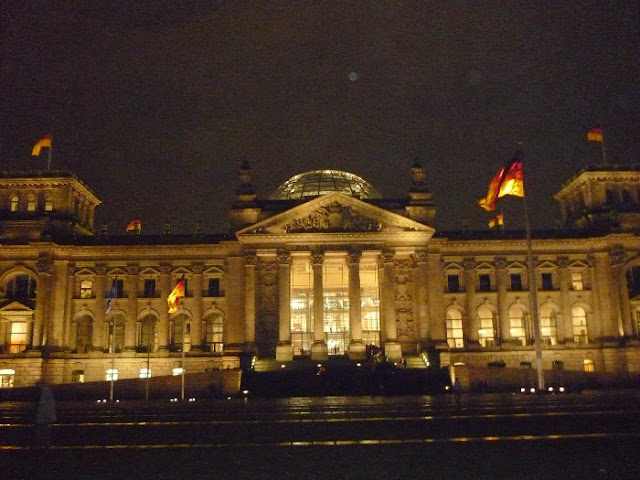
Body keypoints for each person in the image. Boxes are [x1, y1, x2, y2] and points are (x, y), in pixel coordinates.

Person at [34, 381, 57, 447]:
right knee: (45, 431)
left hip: (43, 417)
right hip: (45, 417)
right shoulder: (47, 391)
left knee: (43, 432)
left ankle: (43, 445)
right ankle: (45, 445)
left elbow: (44, 405)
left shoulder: (44, 392)